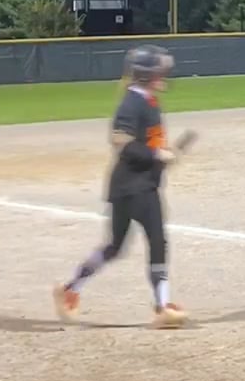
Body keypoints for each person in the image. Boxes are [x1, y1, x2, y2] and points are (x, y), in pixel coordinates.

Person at [53, 45, 189, 329]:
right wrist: (157, 155)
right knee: (157, 241)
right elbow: (122, 142)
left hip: (130, 186)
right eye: (159, 72)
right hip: (136, 188)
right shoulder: (132, 103)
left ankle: (70, 290)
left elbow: (145, 146)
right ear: (146, 75)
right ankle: (163, 307)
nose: (164, 76)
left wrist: (160, 158)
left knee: (115, 247)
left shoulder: (147, 101)